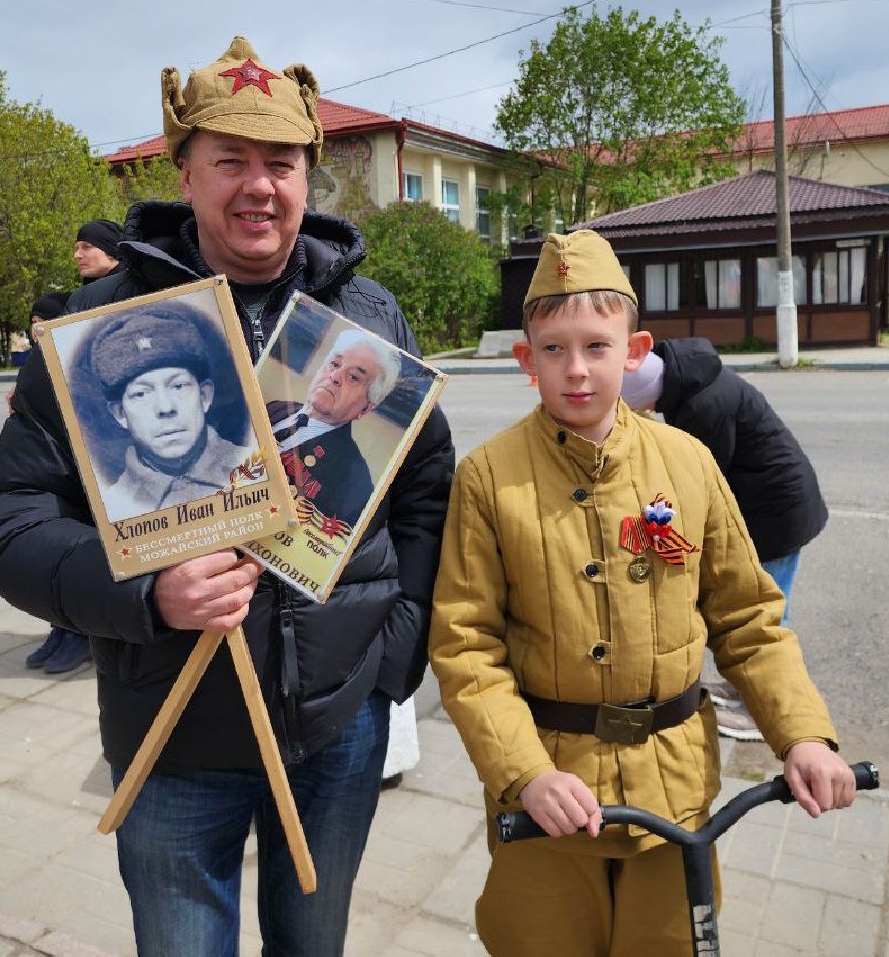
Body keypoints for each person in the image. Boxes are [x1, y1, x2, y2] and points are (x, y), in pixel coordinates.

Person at [0, 36, 453, 957]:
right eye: (229, 161)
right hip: (172, 731)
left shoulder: (369, 318)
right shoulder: (92, 328)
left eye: (280, 163)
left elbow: (427, 487)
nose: (258, 187)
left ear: (310, 178)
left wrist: (397, 651)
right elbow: (11, 521)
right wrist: (146, 595)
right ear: (183, 174)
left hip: (338, 726)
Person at [429, 230, 856, 956]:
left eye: (597, 346)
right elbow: (466, 647)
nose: (578, 370)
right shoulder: (488, 478)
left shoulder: (686, 461)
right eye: (555, 350)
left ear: (635, 350)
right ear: (525, 361)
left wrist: (804, 736)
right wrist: (525, 774)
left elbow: (748, 619)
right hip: (550, 803)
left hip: (675, 793)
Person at [621, 337, 828, 741]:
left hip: (778, 510)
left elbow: (700, 481)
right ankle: (740, 688)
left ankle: (761, 709)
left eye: (637, 406)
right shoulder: (690, 382)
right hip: (769, 502)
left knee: (763, 608)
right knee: (758, 601)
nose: (641, 413)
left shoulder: (701, 406)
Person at [90, 305, 253, 518]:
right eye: (141, 394)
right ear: (120, 414)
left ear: (204, 397)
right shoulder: (111, 506)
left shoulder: (257, 470)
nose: (165, 408)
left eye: (178, 386)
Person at [19, 291, 94, 675]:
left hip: (86, 466)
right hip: (54, 464)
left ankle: (81, 635)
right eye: (33, 321)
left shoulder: (101, 306)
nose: (36, 327)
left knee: (85, 547)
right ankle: (62, 630)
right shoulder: (38, 361)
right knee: (57, 542)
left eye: (88, 247)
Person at [266, 328, 402, 530]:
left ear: (365, 408)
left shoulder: (355, 483)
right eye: (334, 363)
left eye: (354, 377)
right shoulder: (274, 408)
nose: (335, 376)